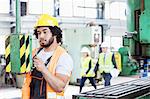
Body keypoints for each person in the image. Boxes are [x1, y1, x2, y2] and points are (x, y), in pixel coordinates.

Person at [22, 14, 73, 99]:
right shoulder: (34, 53)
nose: (41, 36)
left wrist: (43, 69)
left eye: (45, 32)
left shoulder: (63, 57)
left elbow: (59, 87)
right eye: (39, 33)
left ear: (54, 33)